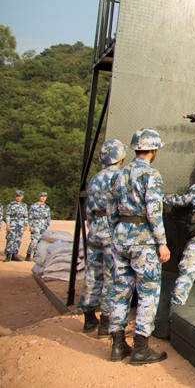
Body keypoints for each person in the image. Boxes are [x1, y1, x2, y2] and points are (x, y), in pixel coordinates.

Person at [107, 129, 170, 365]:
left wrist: (118, 232)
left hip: (120, 237)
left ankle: (117, 346)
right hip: (144, 239)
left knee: (120, 291)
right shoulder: (151, 175)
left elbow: (112, 211)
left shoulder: (118, 174)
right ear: (153, 150)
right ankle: (141, 349)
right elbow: (154, 212)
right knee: (148, 293)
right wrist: (162, 243)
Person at [77, 139, 126, 336]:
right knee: (111, 276)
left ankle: (89, 317)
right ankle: (106, 321)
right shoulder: (120, 176)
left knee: (92, 273)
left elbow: (89, 209)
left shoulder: (95, 179)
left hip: (95, 230)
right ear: (120, 156)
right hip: (110, 231)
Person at [26, 192, 52, 260]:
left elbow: (48, 218)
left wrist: (48, 226)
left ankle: (36, 255)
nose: (43, 198)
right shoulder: (34, 206)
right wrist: (31, 226)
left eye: (45, 196)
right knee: (34, 240)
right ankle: (28, 254)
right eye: (42, 196)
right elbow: (30, 216)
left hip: (43, 225)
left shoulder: (47, 207)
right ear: (39, 197)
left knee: (41, 241)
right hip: (35, 225)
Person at [4, 190, 28, 262]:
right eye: (17, 196)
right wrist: (7, 224)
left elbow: (25, 216)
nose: (18, 198)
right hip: (12, 223)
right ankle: (8, 255)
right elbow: (7, 215)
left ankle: (14, 255)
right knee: (10, 239)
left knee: (18, 239)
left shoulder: (24, 205)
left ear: (22, 197)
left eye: (20, 196)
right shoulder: (11, 204)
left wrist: (25, 225)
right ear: (15, 196)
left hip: (20, 224)